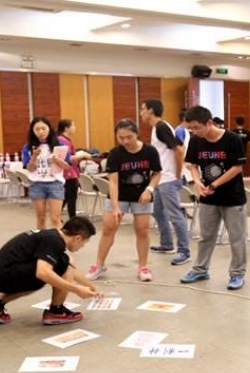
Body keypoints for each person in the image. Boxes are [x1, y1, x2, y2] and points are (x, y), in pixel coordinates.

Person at [0, 216, 101, 325]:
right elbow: (43, 272)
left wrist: (92, 287)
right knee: (55, 268)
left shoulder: (51, 236)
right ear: (78, 238)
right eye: (84, 243)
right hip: (3, 275)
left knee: (62, 262)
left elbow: (70, 269)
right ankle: (56, 311)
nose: (82, 247)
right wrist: (77, 290)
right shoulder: (54, 241)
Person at [180, 105, 247, 290]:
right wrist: (197, 182)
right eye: (190, 129)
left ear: (209, 123)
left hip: (232, 197)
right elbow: (192, 165)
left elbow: (237, 167)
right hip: (208, 197)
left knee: (237, 238)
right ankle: (200, 269)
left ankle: (237, 274)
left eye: (196, 127)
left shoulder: (232, 139)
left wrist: (215, 184)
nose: (194, 132)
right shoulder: (196, 141)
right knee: (206, 236)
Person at [86, 119, 162, 282]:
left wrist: (149, 189)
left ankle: (143, 267)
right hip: (119, 196)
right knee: (108, 229)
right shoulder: (115, 154)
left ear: (137, 134)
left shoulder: (150, 151)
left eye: (129, 137)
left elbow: (157, 173)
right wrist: (115, 207)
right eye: (121, 138)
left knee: (142, 231)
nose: (125, 141)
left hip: (142, 196)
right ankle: (99, 265)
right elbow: (113, 182)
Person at [141, 98, 191, 265]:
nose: (141, 113)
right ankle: (167, 244)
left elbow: (179, 150)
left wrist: (177, 173)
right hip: (160, 179)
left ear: (151, 111)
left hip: (168, 179)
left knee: (175, 215)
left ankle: (184, 251)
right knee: (157, 211)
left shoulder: (162, 127)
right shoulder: (158, 128)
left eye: (143, 109)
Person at [21, 117, 70, 229]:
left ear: (49, 128)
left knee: (55, 218)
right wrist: (34, 156)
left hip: (55, 183)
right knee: (41, 217)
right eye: (37, 129)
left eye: (43, 128)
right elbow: (30, 168)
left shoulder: (59, 144)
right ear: (33, 131)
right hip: (37, 183)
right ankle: (41, 239)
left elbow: (67, 166)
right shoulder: (28, 147)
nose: (41, 132)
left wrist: (57, 160)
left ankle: (58, 240)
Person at [56, 119, 91, 219]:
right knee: (70, 198)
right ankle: (71, 219)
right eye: (73, 125)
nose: (75, 128)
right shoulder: (62, 140)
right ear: (66, 128)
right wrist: (82, 155)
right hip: (67, 174)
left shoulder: (65, 140)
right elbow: (66, 158)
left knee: (67, 198)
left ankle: (58, 218)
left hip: (69, 173)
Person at [175, 109, 192, 183]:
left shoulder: (186, 130)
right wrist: (183, 161)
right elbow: (179, 148)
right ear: (185, 118)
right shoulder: (180, 130)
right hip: (182, 161)